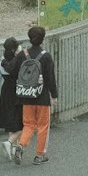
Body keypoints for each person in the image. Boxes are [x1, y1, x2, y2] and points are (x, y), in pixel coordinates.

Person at [14, 25, 58, 166]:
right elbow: (50, 78)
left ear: (29, 38)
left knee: (28, 124)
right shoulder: (46, 57)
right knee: (43, 126)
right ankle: (40, 155)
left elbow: (14, 71)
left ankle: (21, 145)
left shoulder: (23, 55)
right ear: (42, 39)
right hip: (42, 97)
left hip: (26, 96)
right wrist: (54, 95)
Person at [0, 37, 23, 161]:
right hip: (18, 93)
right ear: (15, 49)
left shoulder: (1, 63)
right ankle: (10, 144)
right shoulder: (18, 62)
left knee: (10, 124)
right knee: (21, 123)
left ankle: (13, 150)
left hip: (5, 94)